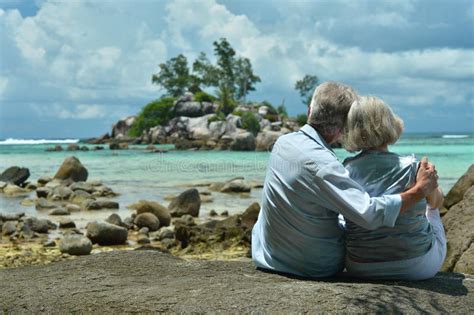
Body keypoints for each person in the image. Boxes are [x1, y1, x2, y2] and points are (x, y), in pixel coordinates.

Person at [251, 81, 439, 278]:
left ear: (310, 111)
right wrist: (419, 190)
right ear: (344, 127)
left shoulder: (283, 142)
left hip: (267, 253)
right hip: (312, 265)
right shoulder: (323, 166)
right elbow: (368, 214)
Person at [342, 96, 446, 280]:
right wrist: (431, 187)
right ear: (389, 124)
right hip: (417, 266)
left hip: (360, 266)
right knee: (433, 208)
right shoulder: (413, 167)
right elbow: (437, 202)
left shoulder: (345, 170)